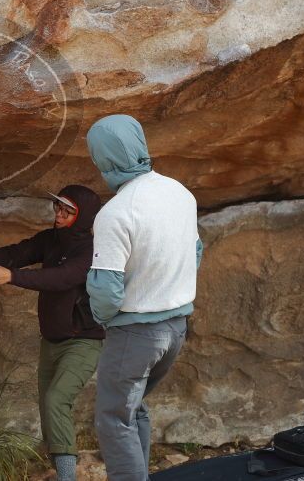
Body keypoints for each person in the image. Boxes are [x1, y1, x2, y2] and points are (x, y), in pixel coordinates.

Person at [0, 185, 105, 481]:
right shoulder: (50, 239)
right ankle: (60, 470)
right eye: (57, 207)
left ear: (82, 217)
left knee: (57, 399)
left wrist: (12, 277)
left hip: (82, 341)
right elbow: (16, 252)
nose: (59, 213)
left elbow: (61, 278)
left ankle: (68, 478)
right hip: (52, 340)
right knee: (48, 407)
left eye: (68, 210)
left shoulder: (89, 249)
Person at [85, 114, 203, 481]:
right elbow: (196, 251)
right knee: (133, 407)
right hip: (177, 327)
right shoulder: (180, 193)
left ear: (101, 159)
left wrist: (103, 320)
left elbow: (106, 289)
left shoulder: (115, 213)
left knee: (113, 418)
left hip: (135, 333)